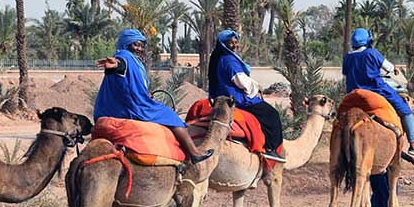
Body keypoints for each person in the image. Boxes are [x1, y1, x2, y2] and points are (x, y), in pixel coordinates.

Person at [95, 29, 214, 164]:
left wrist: (145, 93)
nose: (139, 49)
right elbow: (120, 64)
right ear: (126, 44)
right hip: (133, 106)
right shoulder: (125, 57)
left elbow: (128, 84)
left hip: (119, 105)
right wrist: (115, 65)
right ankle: (194, 152)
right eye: (135, 45)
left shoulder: (133, 61)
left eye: (141, 45)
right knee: (171, 116)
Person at [342, 28, 414, 162]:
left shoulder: (348, 57)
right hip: (375, 91)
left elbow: (345, 73)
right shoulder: (372, 53)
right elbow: (388, 67)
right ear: (368, 40)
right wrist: (394, 69)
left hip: (352, 94)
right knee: (405, 110)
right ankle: (413, 145)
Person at [208, 30, 284, 161]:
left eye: (236, 42)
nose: (235, 45)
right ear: (224, 44)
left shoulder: (220, 59)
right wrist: (256, 88)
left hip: (224, 97)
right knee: (272, 114)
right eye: (231, 42)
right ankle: (271, 149)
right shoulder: (229, 60)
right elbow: (241, 81)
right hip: (238, 99)